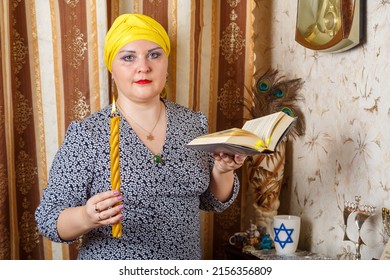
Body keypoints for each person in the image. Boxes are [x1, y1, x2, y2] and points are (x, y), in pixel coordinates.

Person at [35, 13, 246, 260]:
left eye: (154, 55)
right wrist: (86, 217)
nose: (143, 67)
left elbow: (212, 201)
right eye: (128, 58)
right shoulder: (88, 135)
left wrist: (222, 170)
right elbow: (49, 219)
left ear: (166, 63)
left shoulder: (193, 123)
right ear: (111, 68)